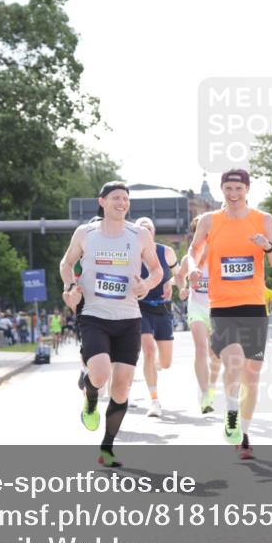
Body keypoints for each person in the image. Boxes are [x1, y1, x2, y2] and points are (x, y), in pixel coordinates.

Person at [60, 181, 163, 468]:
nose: (122, 203)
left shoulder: (140, 234)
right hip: (94, 315)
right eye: (116, 198)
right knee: (101, 374)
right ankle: (91, 396)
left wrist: (147, 285)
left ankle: (107, 447)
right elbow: (66, 264)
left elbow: (156, 270)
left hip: (129, 318)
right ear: (102, 202)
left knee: (121, 388)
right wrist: (71, 286)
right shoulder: (86, 233)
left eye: (126, 199)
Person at [187, 168, 272, 459]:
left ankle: (243, 433)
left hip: (254, 305)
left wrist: (267, 246)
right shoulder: (209, 220)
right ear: (221, 190)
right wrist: (193, 268)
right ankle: (231, 411)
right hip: (221, 305)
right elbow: (193, 251)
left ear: (247, 190)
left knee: (252, 375)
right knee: (233, 360)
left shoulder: (263, 220)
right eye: (228, 189)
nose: (233, 195)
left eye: (238, 189)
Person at [134, 217, 180, 419]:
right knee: (149, 352)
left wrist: (171, 282)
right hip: (139, 307)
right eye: (141, 229)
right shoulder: (129, 254)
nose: (145, 232)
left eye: (149, 229)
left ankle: (155, 369)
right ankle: (154, 400)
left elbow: (180, 275)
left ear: (152, 232)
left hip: (162, 308)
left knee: (166, 362)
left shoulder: (166, 252)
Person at [179, 215, 221, 414]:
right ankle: (204, 395)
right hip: (197, 307)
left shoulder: (219, 254)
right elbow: (179, 277)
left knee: (216, 356)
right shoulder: (189, 258)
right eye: (200, 233)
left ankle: (211, 388)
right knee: (201, 349)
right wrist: (182, 289)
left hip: (217, 308)